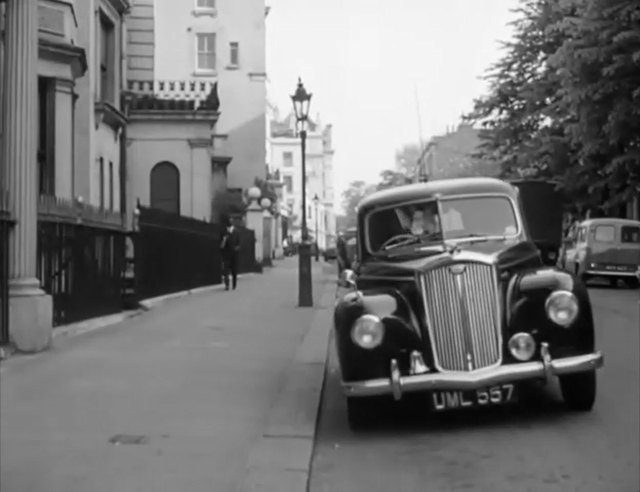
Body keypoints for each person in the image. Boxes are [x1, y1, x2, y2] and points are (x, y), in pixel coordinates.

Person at [220, 217, 241, 290]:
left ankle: (234, 284)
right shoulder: (223, 232)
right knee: (226, 271)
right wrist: (224, 240)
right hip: (226, 255)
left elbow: (239, 244)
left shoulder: (237, 232)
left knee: (234, 271)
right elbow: (221, 246)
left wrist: (236, 248)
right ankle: (227, 285)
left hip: (234, 255)